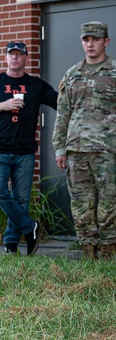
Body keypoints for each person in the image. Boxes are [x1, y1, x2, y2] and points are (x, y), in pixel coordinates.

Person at [0, 41, 57, 255]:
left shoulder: (36, 85)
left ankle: (11, 244)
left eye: (19, 55)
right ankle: (30, 228)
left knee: (21, 200)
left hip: (25, 152)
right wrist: (2, 106)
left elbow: (60, 102)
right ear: (6, 58)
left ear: (26, 59)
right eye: (11, 54)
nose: (15, 58)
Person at [51, 21, 116, 260]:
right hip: (76, 150)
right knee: (81, 203)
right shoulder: (71, 74)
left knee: (109, 201)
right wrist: (60, 148)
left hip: (108, 150)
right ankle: (88, 251)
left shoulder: (114, 71)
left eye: (95, 39)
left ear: (105, 41)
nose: (90, 44)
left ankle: (108, 252)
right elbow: (63, 113)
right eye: (86, 40)